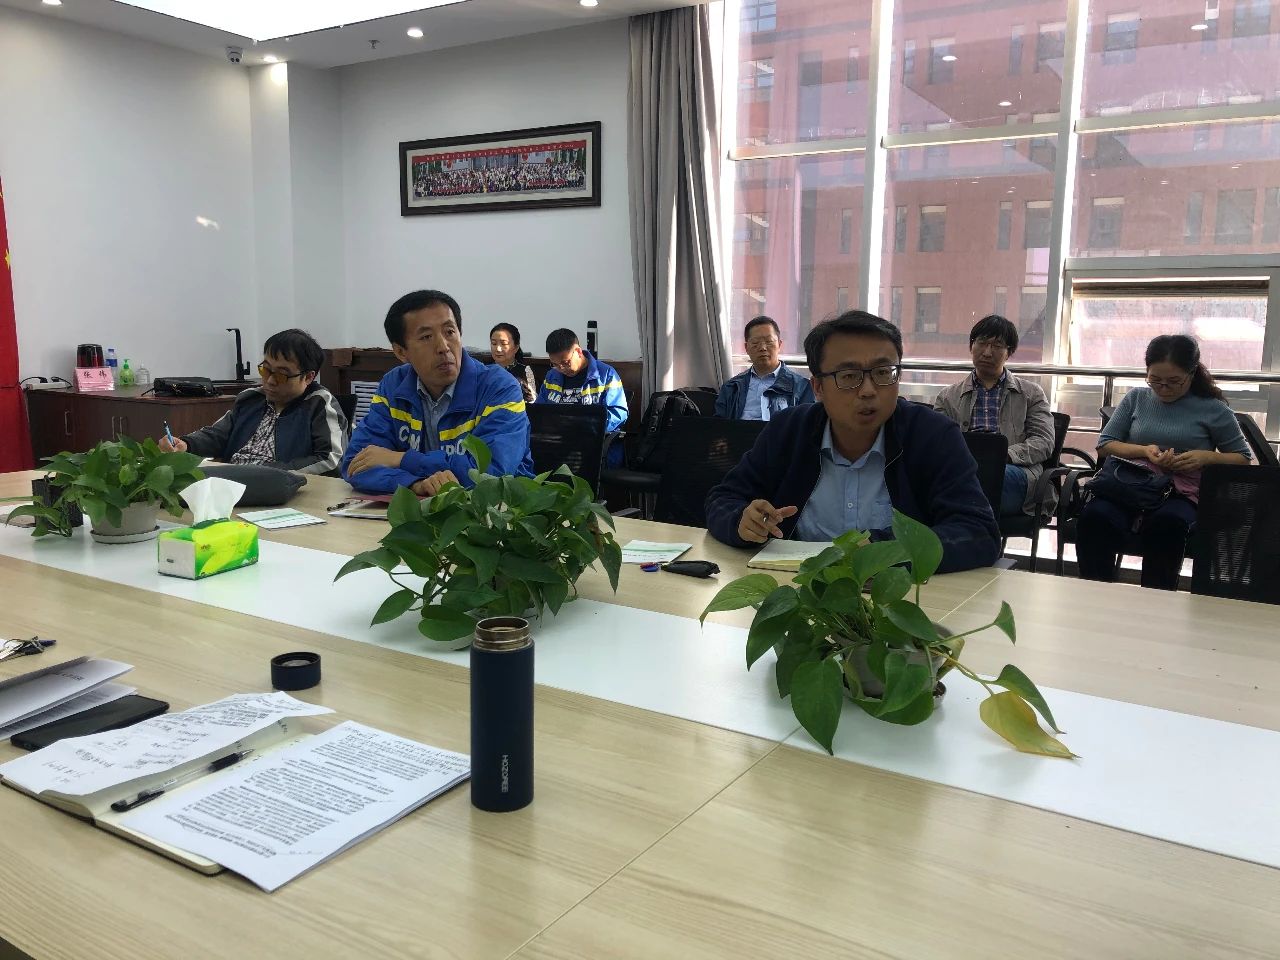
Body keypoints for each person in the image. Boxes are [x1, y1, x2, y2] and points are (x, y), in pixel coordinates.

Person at [705, 311, 1000, 574]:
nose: (868, 391)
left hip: (898, 596)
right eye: (849, 376)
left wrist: (883, 551)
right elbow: (723, 499)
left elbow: (978, 532)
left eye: (883, 373)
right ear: (818, 387)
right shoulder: (789, 430)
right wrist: (741, 521)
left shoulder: (932, 435)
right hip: (797, 592)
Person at [1076, 334, 1250, 590]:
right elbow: (1105, 445)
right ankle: (1094, 594)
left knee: (1168, 524)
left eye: (1174, 381)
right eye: (1155, 380)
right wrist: (1145, 451)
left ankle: (1157, 600)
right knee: (1095, 517)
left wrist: (1205, 457)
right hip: (1130, 485)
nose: (1163, 388)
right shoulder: (1136, 398)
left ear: (1192, 373)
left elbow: (1243, 458)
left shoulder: (1214, 409)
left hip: (1181, 492)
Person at [340, 289, 534, 495]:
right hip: (420, 508)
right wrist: (415, 484)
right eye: (426, 337)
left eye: (449, 332)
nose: (443, 347)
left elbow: (490, 475)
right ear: (401, 352)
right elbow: (356, 464)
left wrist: (401, 459)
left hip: (500, 510)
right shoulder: (393, 386)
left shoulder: (499, 387)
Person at [160, 328, 347, 474]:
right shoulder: (251, 399)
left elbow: (331, 461)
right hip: (233, 481)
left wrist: (270, 473)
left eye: (281, 375)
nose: (270, 381)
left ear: (308, 377)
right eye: (266, 370)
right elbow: (217, 435)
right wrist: (186, 444)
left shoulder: (318, 404)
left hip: (281, 487)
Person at [933, 315, 1055, 517]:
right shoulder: (947, 397)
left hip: (1013, 472)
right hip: (963, 470)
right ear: (971, 346)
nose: (987, 352)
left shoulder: (1031, 394)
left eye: (997, 346)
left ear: (1009, 352)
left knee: (984, 478)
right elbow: (938, 443)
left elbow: (1044, 441)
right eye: (982, 343)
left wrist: (1005, 455)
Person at [714, 315, 815, 420]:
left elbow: (807, 424)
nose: (762, 348)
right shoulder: (731, 387)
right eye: (755, 343)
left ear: (779, 345)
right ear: (746, 348)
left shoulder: (802, 387)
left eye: (769, 341)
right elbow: (719, 425)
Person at [536, 328, 629, 432]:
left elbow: (619, 413)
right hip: (556, 436)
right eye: (555, 364)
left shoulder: (606, 375)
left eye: (565, 363)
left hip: (591, 436)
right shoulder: (551, 376)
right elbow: (539, 411)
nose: (561, 368)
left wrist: (586, 426)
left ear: (578, 352)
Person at [489, 322, 538, 403]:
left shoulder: (525, 371)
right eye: (494, 343)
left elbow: (532, 401)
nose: (498, 349)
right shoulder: (485, 370)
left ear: (516, 347)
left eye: (504, 344)